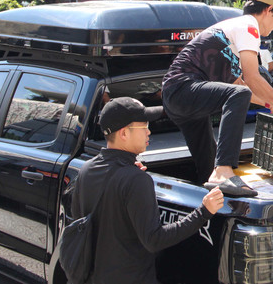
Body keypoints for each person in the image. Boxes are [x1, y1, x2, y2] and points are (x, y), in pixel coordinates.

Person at [161, 0, 273, 196]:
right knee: (239, 97)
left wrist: (271, 104)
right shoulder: (249, 25)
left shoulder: (234, 32)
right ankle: (224, 171)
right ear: (269, 10)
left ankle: (213, 189)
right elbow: (252, 79)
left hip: (183, 97)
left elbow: (239, 85)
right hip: (182, 87)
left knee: (208, 165)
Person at [71, 97, 224, 284]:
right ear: (124, 133)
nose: (149, 132)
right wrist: (203, 212)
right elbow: (154, 240)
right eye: (143, 127)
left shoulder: (86, 170)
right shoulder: (136, 179)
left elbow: (79, 223)